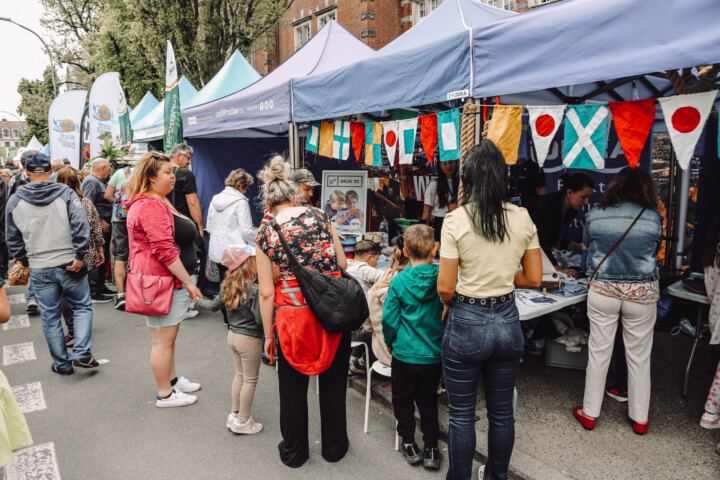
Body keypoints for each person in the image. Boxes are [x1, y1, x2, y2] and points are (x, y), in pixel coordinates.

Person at [437, 140, 542, 480]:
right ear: (502, 178)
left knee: (462, 414)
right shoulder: (522, 216)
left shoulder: (455, 220)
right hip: (508, 321)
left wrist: (476, 274)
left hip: (467, 319)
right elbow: (534, 277)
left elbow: (445, 288)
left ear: (467, 179)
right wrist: (499, 272)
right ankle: (497, 476)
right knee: (502, 415)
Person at [255, 156, 350, 468]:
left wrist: (268, 335)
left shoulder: (266, 233)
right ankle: (334, 446)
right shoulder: (320, 217)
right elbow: (343, 264)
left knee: (293, 390)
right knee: (334, 385)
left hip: (293, 318)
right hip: (332, 312)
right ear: (294, 194)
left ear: (268, 204)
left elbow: (267, 291)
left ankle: (295, 451)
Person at [573, 167, 663, 436]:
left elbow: (587, 245)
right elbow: (654, 250)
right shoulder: (653, 219)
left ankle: (590, 413)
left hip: (603, 291)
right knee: (639, 357)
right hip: (641, 294)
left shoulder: (596, 214)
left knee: (599, 352)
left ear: (616, 187)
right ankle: (640, 418)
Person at [6, 153, 100, 375]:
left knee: (50, 315)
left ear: (25, 171)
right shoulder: (66, 193)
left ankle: (62, 363)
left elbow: (12, 237)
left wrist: (27, 260)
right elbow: (81, 224)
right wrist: (79, 255)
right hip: (69, 261)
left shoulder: (15, 199)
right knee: (82, 307)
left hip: (40, 265)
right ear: (50, 171)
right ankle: (83, 353)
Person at [126, 152, 203, 408]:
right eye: (167, 172)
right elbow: (164, 250)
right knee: (162, 341)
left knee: (168, 338)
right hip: (160, 283)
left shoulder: (155, 200)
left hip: (163, 283)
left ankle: (171, 381)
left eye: (173, 171)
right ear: (150, 177)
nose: (173, 176)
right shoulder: (150, 205)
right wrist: (190, 282)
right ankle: (165, 394)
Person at [382, 224, 444, 470]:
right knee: (428, 401)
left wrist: (390, 342)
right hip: (432, 355)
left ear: (405, 252)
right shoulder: (443, 279)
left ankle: (408, 441)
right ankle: (431, 446)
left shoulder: (399, 281)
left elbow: (389, 319)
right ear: (434, 249)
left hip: (405, 354)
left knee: (403, 399)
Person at [196, 245, 264, 435]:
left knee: (240, 376)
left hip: (232, 336)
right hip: (249, 339)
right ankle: (243, 422)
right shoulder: (254, 289)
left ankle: (234, 414)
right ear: (248, 264)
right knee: (250, 380)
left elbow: (212, 306)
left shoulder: (227, 286)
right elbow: (260, 319)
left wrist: (195, 298)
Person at [56, 168, 106, 344]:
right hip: (84, 252)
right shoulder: (84, 202)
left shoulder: (54, 203)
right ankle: (81, 328)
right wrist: (100, 250)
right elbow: (95, 227)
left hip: (60, 253)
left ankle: (72, 328)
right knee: (81, 294)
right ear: (78, 181)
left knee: (63, 292)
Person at [526, 172, 595, 278]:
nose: (586, 202)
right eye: (583, 197)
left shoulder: (571, 210)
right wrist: (557, 269)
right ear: (570, 192)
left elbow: (557, 239)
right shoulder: (546, 205)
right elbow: (540, 240)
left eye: (588, 198)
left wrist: (582, 249)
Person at [365, 239, 410, 368]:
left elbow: (368, 324)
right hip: (409, 356)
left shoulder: (383, 280)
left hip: (382, 352)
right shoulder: (420, 282)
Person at [346, 240, 384, 375]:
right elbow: (386, 277)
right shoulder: (364, 269)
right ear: (369, 258)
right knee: (377, 331)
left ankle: (353, 360)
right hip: (355, 331)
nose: (377, 264)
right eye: (376, 260)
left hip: (343, 327)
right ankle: (361, 363)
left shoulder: (347, 265)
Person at [206, 168, 257, 266]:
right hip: (236, 255)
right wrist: (257, 244)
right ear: (240, 186)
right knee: (239, 281)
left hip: (216, 254)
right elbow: (246, 232)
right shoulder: (241, 202)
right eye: (246, 188)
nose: (246, 191)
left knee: (222, 281)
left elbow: (209, 227)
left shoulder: (214, 199)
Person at [81, 158, 114, 301]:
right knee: (98, 256)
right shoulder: (92, 181)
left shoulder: (96, 181)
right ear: (102, 167)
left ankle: (100, 286)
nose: (109, 171)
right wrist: (100, 222)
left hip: (104, 224)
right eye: (108, 168)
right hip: (98, 225)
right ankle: (94, 290)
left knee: (103, 254)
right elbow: (87, 204)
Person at [104, 163, 135, 310]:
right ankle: (139, 292)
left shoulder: (119, 173)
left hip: (120, 219)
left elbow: (107, 195)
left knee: (120, 256)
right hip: (140, 217)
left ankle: (121, 294)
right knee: (140, 254)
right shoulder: (148, 173)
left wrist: (120, 203)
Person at [699, 217, 720, 430]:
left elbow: (710, 288)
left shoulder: (713, 252)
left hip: (716, 314)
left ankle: (711, 413)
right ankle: (711, 412)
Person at [166, 143, 204, 236]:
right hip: (183, 223)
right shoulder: (185, 174)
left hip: (165, 222)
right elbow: (193, 203)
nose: (189, 162)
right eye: (188, 158)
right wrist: (200, 228)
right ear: (179, 155)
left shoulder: (159, 173)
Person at [423, 159, 459, 242]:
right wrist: (424, 234)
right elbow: (426, 212)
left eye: (451, 162)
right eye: (444, 163)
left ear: (456, 162)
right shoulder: (434, 185)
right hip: (439, 226)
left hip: (457, 225)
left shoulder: (462, 184)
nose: (448, 166)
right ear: (439, 165)